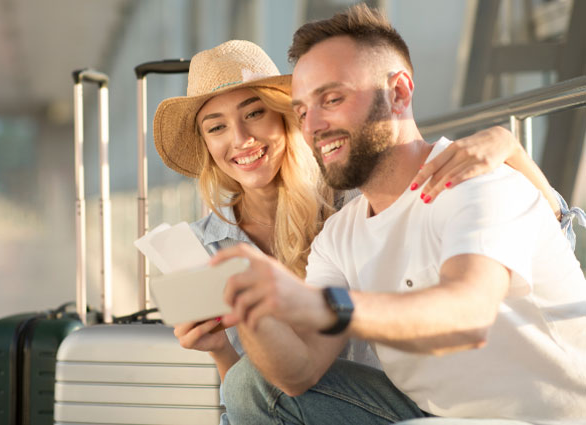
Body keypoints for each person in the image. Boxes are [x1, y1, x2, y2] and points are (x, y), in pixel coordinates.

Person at [152, 38, 578, 424]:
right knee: (249, 383)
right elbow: (286, 380)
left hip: (534, 411)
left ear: (399, 92)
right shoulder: (334, 234)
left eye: (332, 98)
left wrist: (513, 149)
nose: (314, 123)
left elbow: (472, 311)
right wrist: (246, 317)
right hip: (415, 406)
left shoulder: (463, 183)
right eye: (303, 110)